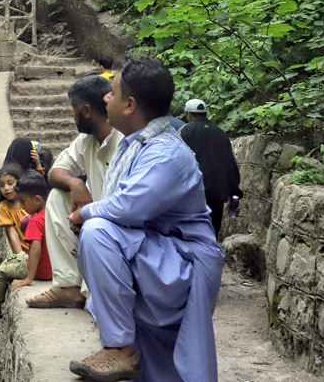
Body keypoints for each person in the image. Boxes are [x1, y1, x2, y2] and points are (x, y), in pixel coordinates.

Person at [68, 56, 223, 382]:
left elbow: (127, 208)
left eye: (112, 92)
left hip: (182, 265)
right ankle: (127, 351)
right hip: (159, 258)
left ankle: (119, 349)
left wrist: (85, 212)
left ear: (130, 105)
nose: (105, 98)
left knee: (97, 232)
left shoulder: (165, 152)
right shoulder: (135, 145)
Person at [26, 76, 123, 310]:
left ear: (86, 110)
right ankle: (69, 285)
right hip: (98, 220)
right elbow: (55, 172)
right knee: (58, 196)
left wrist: (87, 212)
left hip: (121, 224)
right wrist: (76, 184)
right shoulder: (86, 140)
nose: (72, 115)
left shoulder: (125, 140)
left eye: (73, 109)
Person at [0, 171, 53, 319]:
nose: (21, 205)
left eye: (23, 201)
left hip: (39, 270)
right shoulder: (50, 213)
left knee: (3, 272)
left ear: (37, 200)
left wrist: (29, 277)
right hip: (51, 267)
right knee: (12, 258)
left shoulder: (36, 221)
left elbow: (35, 249)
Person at [180, 98, 243, 236]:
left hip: (193, 194)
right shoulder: (221, 134)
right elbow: (231, 167)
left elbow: (178, 164)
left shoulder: (185, 132)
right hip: (217, 194)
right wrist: (234, 200)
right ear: (206, 114)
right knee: (212, 233)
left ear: (189, 114)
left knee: (193, 236)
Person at [0, 164, 31, 256]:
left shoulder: (30, 201)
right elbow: (13, 234)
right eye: (2, 185)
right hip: (24, 254)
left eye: (10, 183)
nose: (6, 188)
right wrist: (21, 257)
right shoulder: (4, 207)